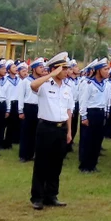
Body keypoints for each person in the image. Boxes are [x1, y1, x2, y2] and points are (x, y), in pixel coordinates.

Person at [29, 52, 72, 209]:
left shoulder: (68, 88)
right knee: (42, 163)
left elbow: (69, 111)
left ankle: (51, 195)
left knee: (56, 164)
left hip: (61, 129)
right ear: (55, 69)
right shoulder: (44, 86)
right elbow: (33, 86)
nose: (67, 71)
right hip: (46, 127)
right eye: (64, 68)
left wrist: (68, 132)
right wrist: (51, 74)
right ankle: (37, 197)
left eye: (68, 68)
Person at [78, 58, 110, 173]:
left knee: (97, 140)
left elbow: (106, 100)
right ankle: (85, 165)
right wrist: (84, 116)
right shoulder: (89, 84)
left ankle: (93, 164)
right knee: (88, 140)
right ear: (98, 71)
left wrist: (106, 112)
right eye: (105, 69)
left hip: (100, 113)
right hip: (91, 113)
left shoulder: (105, 84)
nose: (108, 72)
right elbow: (83, 101)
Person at [18, 62, 40, 163]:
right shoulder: (26, 81)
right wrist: (21, 110)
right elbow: (21, 96)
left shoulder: (42, 81)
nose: (42, 69)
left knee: (37, 133)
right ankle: (24, 155)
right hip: (29, 107)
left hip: (39, 108)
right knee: (26, 132)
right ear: (34, 69)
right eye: (40, 67)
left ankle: (33, 154)